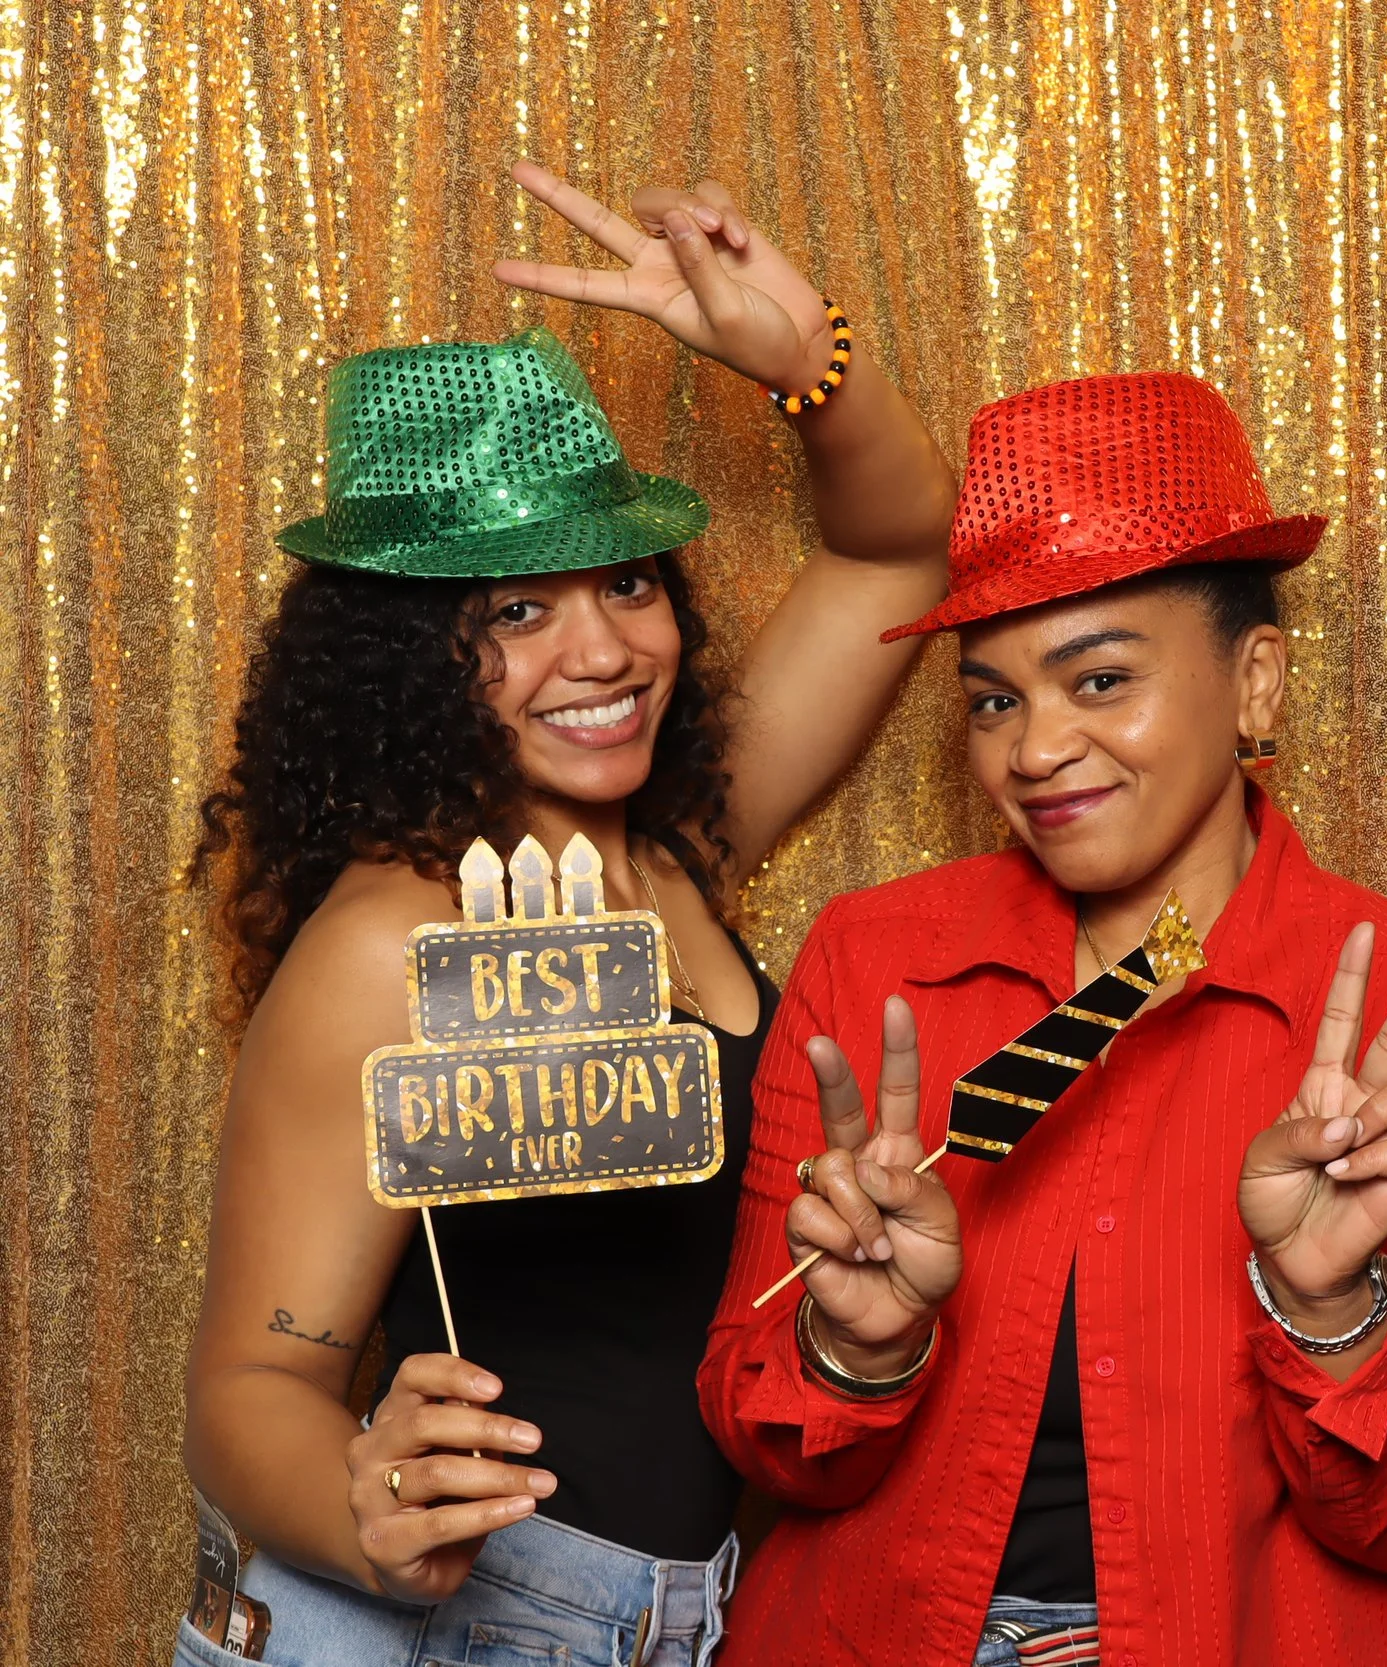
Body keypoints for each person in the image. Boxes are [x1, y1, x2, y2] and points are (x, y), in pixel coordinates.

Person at [178, 163, 954, 1667]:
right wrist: (377, 1515)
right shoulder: (390, 941)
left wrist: (811, 366)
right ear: (406, 659)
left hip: (680, 1615)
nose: (602, 649)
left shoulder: (679, 837)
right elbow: (246, 1388)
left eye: (624, 580)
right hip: (466, 1619)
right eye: (515, 612)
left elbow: (896, 550)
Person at [695, 370, 1387, 1667]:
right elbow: (762, 1440)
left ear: (1255, 681)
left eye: (1098, 680)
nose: (1033, 750)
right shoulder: (876, 964)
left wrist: (1329, 1305)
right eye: (993, 697)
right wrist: (857, 1341)